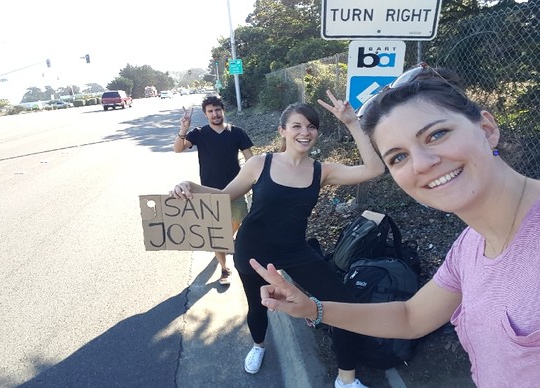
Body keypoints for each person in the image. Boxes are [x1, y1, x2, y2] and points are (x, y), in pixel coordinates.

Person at [249, 65, 540, 387]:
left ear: (486, 129)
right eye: (398, 157)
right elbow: (411, 317)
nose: (422, 163)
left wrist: (351, 124)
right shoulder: (469, 248)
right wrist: (311, 308)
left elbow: (370, 168)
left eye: (437, 134)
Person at [170, 92, 385, 388]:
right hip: (253, 249)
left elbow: (374, 170)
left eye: (310, 127)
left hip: (295, 249)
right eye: (296, 126)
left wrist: (352, 123)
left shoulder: (322, 171)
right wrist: (189, 185)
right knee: (258, 307)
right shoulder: (260, 164)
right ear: (283, 132)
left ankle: (346, 379)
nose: (304, 132)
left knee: (343, 303)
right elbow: (222, 196)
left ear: (317, 133)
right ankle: (258, 346)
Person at [173, 95, 254, 285]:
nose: (215, 114)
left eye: (217, 109)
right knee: (218, 234)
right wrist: (183, 128)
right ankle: (224, 269)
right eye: (210, 111)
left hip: (236, 190)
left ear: (223, 110)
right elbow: (178, 149)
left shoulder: (237, 132)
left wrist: (256, 179)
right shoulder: (199, 133)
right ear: (205, 114)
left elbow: (251, 160)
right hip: (209, 192)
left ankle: (229, 245)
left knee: (239, 228)